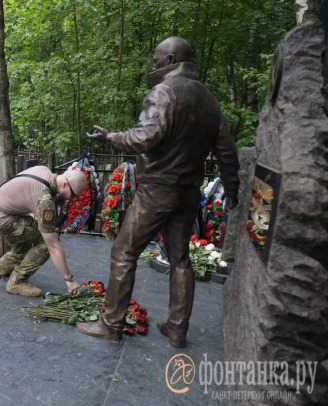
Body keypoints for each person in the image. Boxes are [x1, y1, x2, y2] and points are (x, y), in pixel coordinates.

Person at [76, 37, 240, 348]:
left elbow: (146, 137)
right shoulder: (208, 99)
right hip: (188, 192)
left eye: (156, 60)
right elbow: (226, 151)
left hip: (157, 191)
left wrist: (112, 136)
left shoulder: (165, 91)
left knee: (124, 253)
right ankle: (177, 329)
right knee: (180, 259)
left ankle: (111, 325)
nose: (154, 66)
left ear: (171, 58)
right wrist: (232, 189)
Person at [0, 167, 87, 297]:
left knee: (21, 251)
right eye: (74, 195)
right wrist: (69, 279)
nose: (73, 199)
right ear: (65, 184)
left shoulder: (44, 170)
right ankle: (17, 282)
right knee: (46, 244)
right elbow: (53, 246)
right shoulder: (44, 201)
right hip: (3, 218)